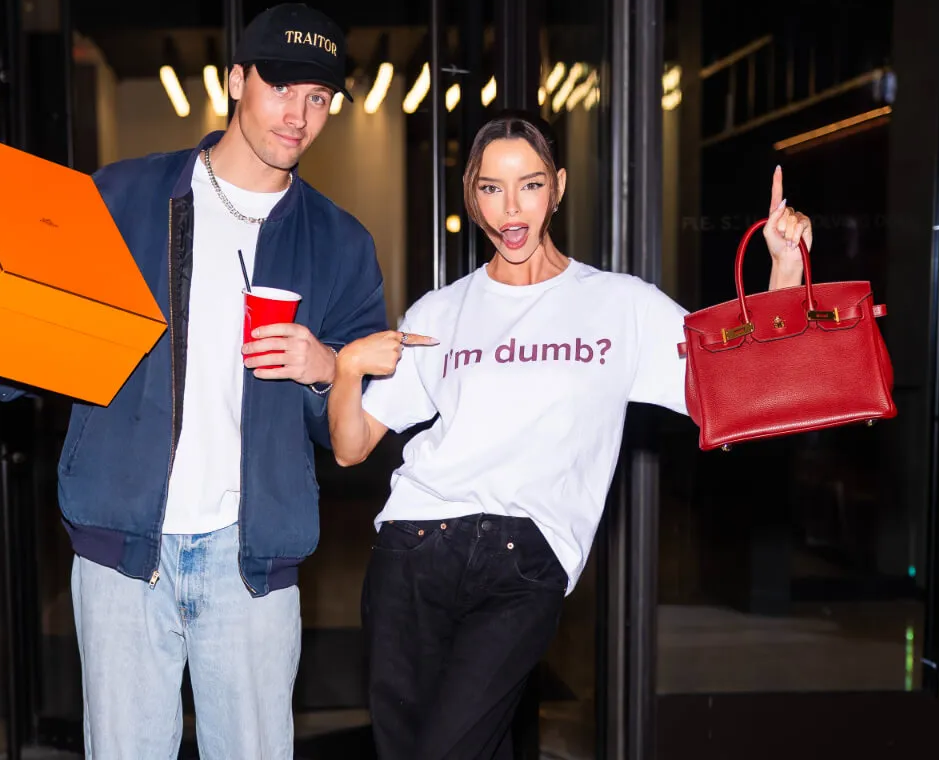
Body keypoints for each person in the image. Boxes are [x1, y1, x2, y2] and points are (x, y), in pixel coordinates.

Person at [0, 3, 387, 759]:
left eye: (320, 98)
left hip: (251, 566)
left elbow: (348, 429)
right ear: (236, 81)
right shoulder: (121, 198)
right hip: (124, 557)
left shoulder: (341, 244)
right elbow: (46, 347)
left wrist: (329, 369)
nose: (299, 114)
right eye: (281, 87)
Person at [327, 112, 812, 759]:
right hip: (411, 551)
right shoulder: (440, 312)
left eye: (528, 185)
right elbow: (350, 446)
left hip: (523, 562)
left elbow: (741, 390)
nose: (511, 208)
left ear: (557, 186)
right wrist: (342, 371)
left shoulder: (620, 305)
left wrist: (784, 273)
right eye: (491, 188)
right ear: (471, 195)